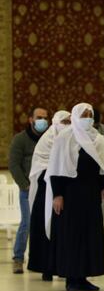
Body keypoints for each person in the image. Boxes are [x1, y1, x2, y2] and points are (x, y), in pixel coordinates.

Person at [45, 103, 104, 291]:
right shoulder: (65, 137)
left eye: (90, 114)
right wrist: (58, 194)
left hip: (90, 194)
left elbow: (101, 166)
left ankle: (83, 277)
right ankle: (71, 278)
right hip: (70, 193)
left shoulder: (97, 138)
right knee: (73, 236)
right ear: (75, 116)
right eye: (84, 114)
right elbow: (57, 167)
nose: (88, 118)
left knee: (89, 234)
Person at [27, 110, 69, 281]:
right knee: (44, 228)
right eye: (64, 122)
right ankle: (45, 267)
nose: (67, 126)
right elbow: (40, 164)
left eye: (69, 122)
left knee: (61, 231)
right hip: (45, 192)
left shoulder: (70, 140)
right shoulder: (47, 139)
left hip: (62, 191)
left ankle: (62, 266)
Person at [8, 106, 49, 274]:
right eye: (39, 117)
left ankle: (42, 259)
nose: (42, 121)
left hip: (46, 188)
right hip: (28, 189)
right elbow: (14, 164)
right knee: (27, 223)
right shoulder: (20, 139)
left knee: (45, 225)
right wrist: (24, 185)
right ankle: (18, 258)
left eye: (45, 117)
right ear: (31, 120)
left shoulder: (49, 138)